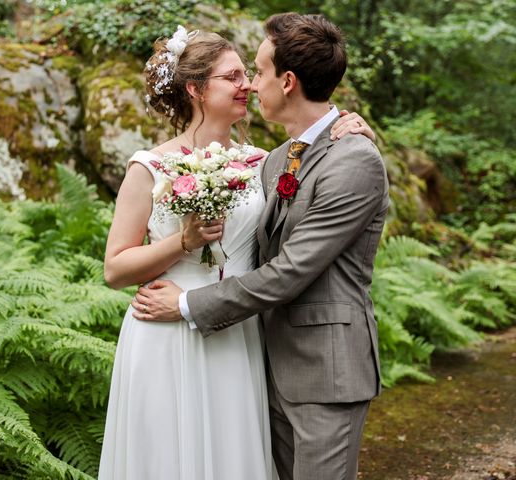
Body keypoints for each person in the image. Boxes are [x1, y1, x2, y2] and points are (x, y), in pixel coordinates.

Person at [99, 25, 374, 480]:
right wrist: (181, 243)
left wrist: (351, 127)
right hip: (164, 330)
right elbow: (114, 269)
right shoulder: (149, 166)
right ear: (196, 89)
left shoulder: (267, 162)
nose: (246, 83)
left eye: (249, 73)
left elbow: (324, 192)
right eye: (232, 76)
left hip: (239, 332)